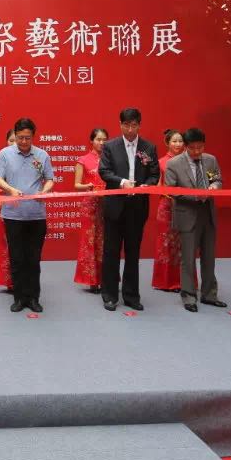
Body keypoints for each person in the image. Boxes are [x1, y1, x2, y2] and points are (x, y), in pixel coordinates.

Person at [98, 107, 160, 311]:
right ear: (120, 125)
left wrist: (145, 186)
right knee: (111, 252)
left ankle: (132, 296)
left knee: (133, 253)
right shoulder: (110, 146)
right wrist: (122, 182)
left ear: (139, 125)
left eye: (134, 125)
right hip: (115, 206)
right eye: (126, 125)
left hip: (137, 207)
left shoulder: (148, 147)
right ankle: (109, 295)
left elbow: (154, 174)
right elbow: (104, 171)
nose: (130, 129)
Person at [0, 117, 55, 313]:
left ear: (33, 136)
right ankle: (19, 298)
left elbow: (50, 179)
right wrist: (10, 190)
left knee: (34, 259)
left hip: (36, 215)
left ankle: (34, 298)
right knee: (17, 258)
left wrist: (45, 190)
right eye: (20, 137)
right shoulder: (5, 154)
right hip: (13, 215)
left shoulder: (42, 155)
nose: (23, 142)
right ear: (15, 135)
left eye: (27, 138)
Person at [164, 128, 226, 313]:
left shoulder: (210, 160)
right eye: (193, 148)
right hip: (187, 214)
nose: (197, 151)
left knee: (209, 257)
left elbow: (217, 179)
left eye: (200, 147)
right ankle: (189, 296)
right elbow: (171, 190)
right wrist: (195, 196)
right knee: (188, 258)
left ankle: (209, 294)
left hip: (208, 213)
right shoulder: (174, 164)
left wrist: (214, 187)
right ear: (185, 146)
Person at [72, 127, 108, 293]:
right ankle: (92, 280)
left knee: (106, 240)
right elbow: (77, 184)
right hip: (90, 205)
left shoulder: (110, 159)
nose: (101, 142)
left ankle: (106, 278)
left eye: (104, 140)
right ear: (91, 141)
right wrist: (88, 186)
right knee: (90, 241)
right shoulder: (83, 160)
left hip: (107, 204)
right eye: (98, 139)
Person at [152, 128, 187, 292]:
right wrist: (169, 193)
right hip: (166, 206)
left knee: (184, 243)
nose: (178, 144)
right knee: (165, 244)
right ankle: (164, 282)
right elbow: (158, 185)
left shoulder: (189, 161)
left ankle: (183, 281)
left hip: (185, 205)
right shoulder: (161, 162)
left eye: (180, 141)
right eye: (174, 141)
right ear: (167, 143)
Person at [0, 129, 15, 292]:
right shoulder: (2, 157)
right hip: (6, 203)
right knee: (6, 241)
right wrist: (5, 189)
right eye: (11, 140)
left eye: (16, 140)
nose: (14, 143)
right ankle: (8, 280)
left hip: (24, 203)